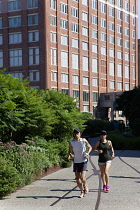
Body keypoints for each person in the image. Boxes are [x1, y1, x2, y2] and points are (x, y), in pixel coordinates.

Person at [68, 128, 92, 198]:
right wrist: (70, 155)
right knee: (77, 179)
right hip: (76, 161)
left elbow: (90, 147)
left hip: (83, 161)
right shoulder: (71, 142)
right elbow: (70, 151)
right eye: (75, 133)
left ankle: (85, 185)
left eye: (78, 133)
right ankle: (81, 191)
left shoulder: (83, 141)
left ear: (80, 134)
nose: (76, 135)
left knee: (82, 177)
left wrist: (87, 153)